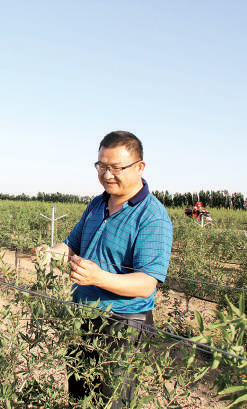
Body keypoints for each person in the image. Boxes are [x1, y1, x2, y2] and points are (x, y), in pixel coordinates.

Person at [33, 130, 173, 406]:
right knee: (79, 397)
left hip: (123, 325)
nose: (107, 174)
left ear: (140, 167)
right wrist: (51, 253)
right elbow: (71, 246)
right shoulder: (98, 203)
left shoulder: (152, 217)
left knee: (112, 402)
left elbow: (146, 284)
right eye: (101, 166)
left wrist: (98, 277)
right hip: (83, 315)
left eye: (116, 167)